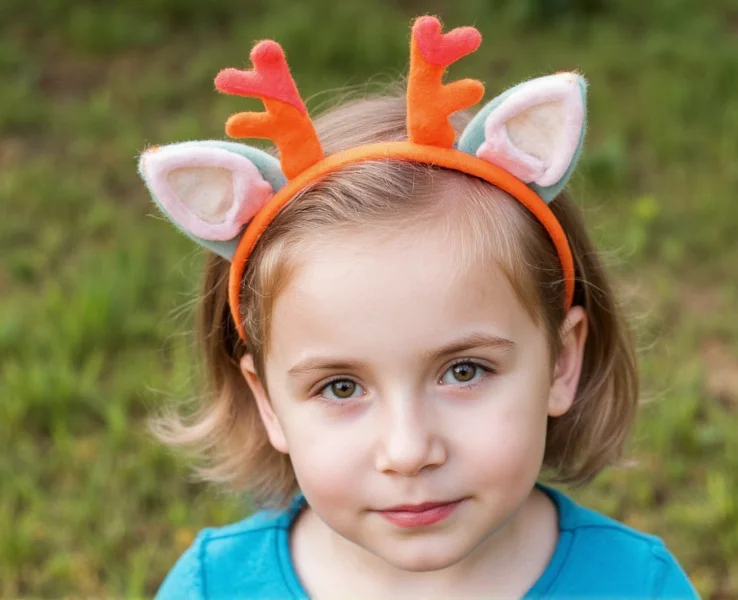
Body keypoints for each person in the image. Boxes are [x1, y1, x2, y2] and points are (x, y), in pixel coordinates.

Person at [137, 15, 700, 599]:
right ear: (268, 402)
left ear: (560, 362)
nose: (408, 452)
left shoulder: (637, 586)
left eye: (464, 371)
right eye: (339, 386)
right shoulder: (212, 589)